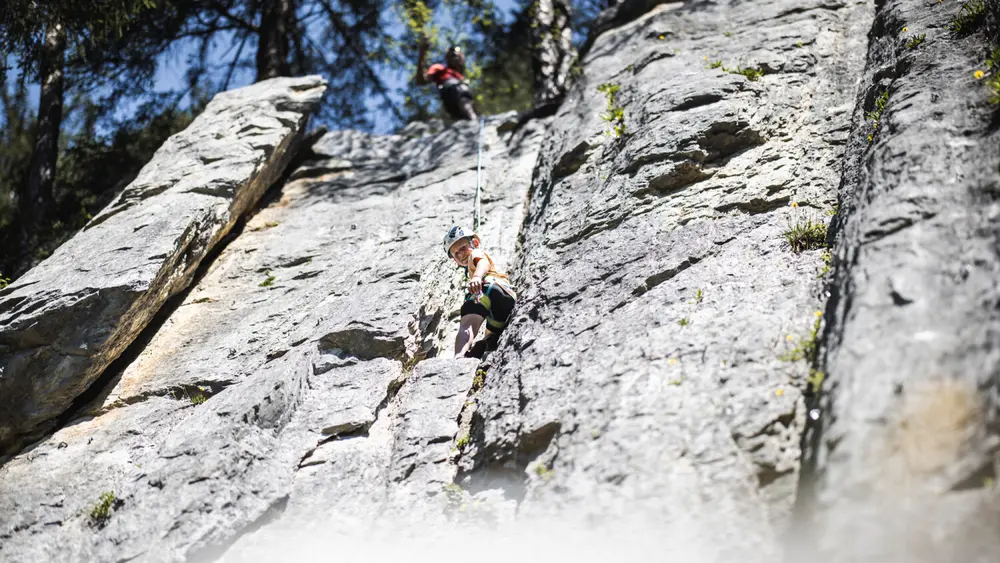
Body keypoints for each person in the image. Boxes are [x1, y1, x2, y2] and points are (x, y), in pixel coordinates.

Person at [443, 226, 516, 358]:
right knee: (494, 329)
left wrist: (476, 277)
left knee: (467, 324)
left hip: (487, 287)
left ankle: (459, 357)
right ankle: (487, 341)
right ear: (454, 259)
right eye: (456, 254)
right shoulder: (471, 263)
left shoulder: (476, 253)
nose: (461, 254)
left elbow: (482, 263)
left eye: (463, 248)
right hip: (506, 295)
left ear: (475, 243)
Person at [415, 44, 477, 121]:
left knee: (466, 109)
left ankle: (472, 121)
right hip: (452, 90)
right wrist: (422, 54)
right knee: (464, 98)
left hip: (455, 97)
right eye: (453, 56)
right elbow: (421, 81)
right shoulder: (439, 68)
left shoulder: (460, 76)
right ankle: (474, 121)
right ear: (447, 58)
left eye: (458, 56)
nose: (456, 58)